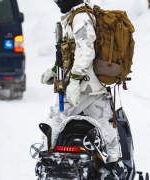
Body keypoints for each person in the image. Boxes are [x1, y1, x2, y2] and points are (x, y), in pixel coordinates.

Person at [41, 0, 125, 179]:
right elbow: (69, 53)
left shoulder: (80, 18)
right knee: (105, 122)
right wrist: (55, 70)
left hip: (82, 86)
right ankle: (115, 162)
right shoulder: (78, 15)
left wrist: (75, 80)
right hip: (93, 86)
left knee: (55, 118)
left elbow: (86, 51)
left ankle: (45, 158)